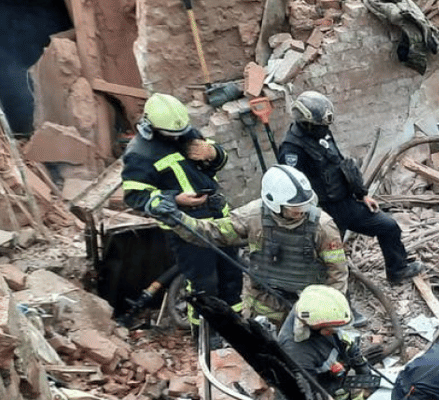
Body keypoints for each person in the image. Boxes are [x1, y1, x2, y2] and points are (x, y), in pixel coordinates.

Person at [151, 165, 346, 325]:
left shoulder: (323, 226)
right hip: (264, 304)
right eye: (295, 208)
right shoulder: (254, 216)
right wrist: (177, 219)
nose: (302, 211)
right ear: (274, 203)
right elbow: (211, 233)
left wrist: (330, 312)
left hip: (308, 306)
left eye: (305, 205)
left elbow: (337, 272)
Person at [121, 93, 242, 337]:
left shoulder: (187, 133)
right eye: (171, 135)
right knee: (203, 285)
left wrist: (212, 153)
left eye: (182, 132)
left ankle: (237, 332)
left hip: (218, 218)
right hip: (186, 227)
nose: (178, 138)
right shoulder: (140, 153)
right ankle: (206, 338)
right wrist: (174, 199)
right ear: (152, 126)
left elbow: (216, 164)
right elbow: (135, 196)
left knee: (232, 276)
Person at [279, 91, 422, 285]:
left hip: (347, 203)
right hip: (324, 213)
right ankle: (335, 297)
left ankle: (398, 271)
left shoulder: (323, 134)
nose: (326, 129)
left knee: (388, 227)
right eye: (321, 126)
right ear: (307, 123)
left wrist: (362, 195)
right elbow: (293, 190)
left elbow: (341, 167)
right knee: (331, 259)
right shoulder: (292, 149)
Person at [275, 285, 371, 400]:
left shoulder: (317, 315)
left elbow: (344, 340)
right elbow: (312, 395)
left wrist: (361, 366)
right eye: (334, 328)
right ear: (318, 325)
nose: (338, 331)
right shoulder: (297, 353)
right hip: (324, 387)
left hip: (334, 377)